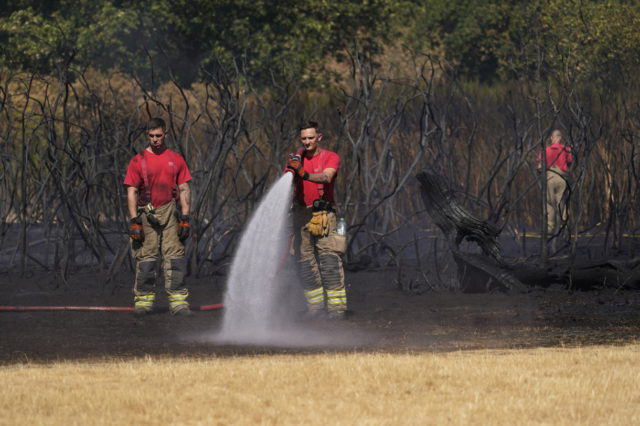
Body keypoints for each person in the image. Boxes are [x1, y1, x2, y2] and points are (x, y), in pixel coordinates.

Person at [123, 117, 193, 316]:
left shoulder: (176, 159)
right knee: (146, 258)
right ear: (148, 135)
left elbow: (184, 187)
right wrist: (134, 220)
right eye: (151, 136)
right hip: (146, 213)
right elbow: (132, 191)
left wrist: (185, 217)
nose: (155, 139)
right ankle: (144, 302)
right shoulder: (138, 161)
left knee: (175, 257)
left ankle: (178, 302)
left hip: (171, 212)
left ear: (166, 135)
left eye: (158, 136)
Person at [285, 121, 348, 319]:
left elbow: (327, 177)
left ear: (319, 137)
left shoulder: (330, 157)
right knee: (304, 262)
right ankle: (315, 307)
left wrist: (303, 173)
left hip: (323, 214)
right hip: (300, 214)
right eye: (303, 138)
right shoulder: (296, 159)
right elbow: (287, 185)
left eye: (311, 138)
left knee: (329, 259)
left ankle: (337, 308)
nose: (307, 142)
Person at [537, 129, 572, 235]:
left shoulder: (545, 150)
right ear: (560, 138)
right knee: (562, 204)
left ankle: (549, 229)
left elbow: (539, 166)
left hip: (550, 177)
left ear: (551, 138)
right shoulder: (566, 150)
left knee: (549, 205)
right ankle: (564, 228)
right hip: (562, 177)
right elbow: (570, 162)